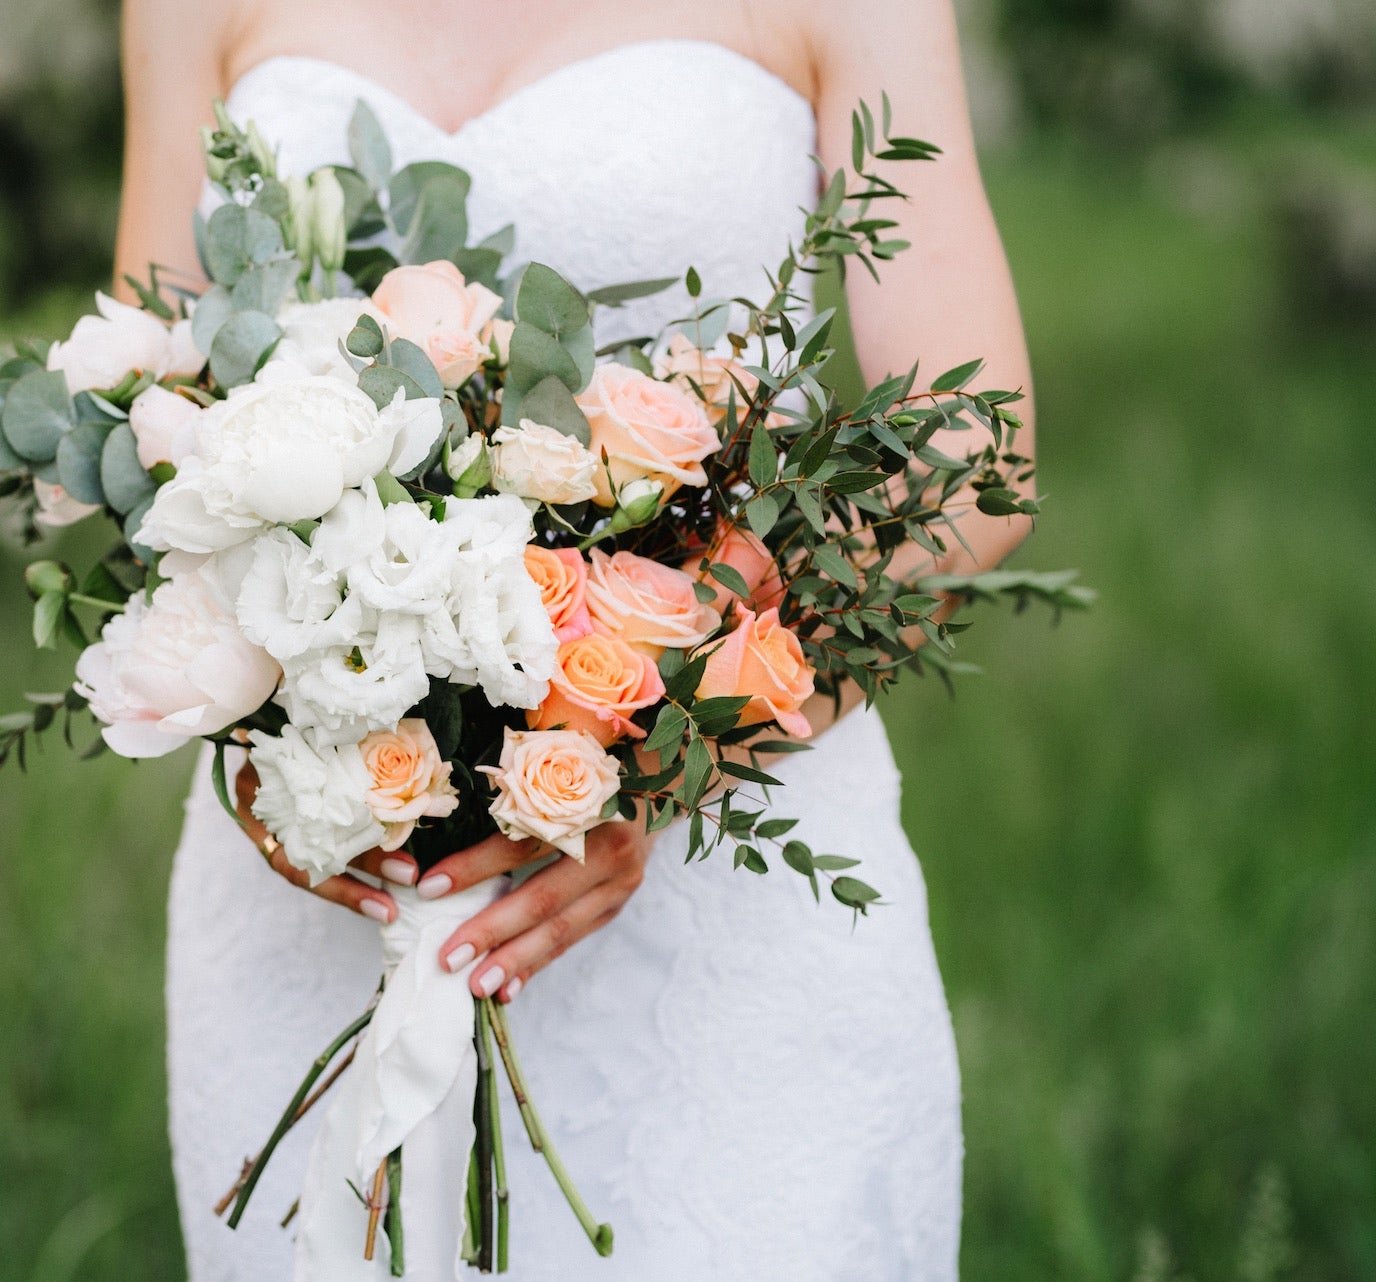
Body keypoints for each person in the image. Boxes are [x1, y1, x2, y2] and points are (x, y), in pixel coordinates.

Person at [115, 1, 1034, 1276]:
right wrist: (253, 734)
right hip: (325, 873)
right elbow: (146, 411)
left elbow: (967, 449)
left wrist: (656, 750)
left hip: (726, 884)